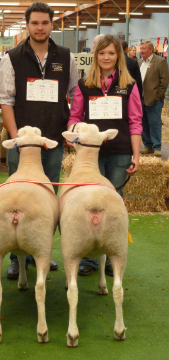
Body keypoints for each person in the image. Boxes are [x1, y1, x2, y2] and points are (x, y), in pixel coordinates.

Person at [0, 2, 79, 279]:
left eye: (45, 23)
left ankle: (42, 253)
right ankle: (16, 258)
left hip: (53, 141)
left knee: (48, 200)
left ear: (52, 25)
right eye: (35, 23)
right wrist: (17, 137)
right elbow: (6, 101)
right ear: (27, 25)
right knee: (16, 199)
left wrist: (71, 128)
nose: (40, 27)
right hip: (23, 144)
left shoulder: (66, 57)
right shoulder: (12, 57)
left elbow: (75, 95)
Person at [68, 34, 142, 277]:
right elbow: (75, 116)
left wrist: (136, 155)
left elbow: (135, 121)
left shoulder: (129, 85)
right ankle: (88, 258)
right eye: (102, 53)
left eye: (111, 53)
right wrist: (73, 137)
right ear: (95, 56)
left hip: (119, 152)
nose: (106, 57)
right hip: (91, 154)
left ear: (118, 56)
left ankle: (111, 257)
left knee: (114, 202)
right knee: (88, 200)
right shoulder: (83, 84)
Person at [139, 40, 169, 157]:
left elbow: (164, 80)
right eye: (140, 49)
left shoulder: (160, 61)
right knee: (143, 123)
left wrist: (159, 96)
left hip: (154, 99)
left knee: (154, 123)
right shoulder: (140, 62)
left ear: (150, 50)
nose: (141, 51)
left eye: (143, 49)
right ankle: (148, 145)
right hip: (140, 99)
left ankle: (157, 147)